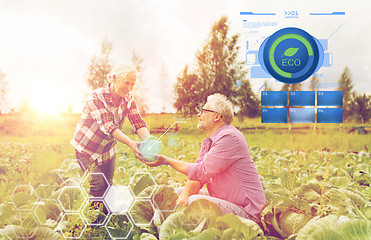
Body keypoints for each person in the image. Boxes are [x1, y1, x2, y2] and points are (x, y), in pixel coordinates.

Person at [141, 93, 266, 222]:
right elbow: (198, 179)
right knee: (179, 193)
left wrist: (166, 161)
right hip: (226, 203)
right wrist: (183, 196)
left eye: (203, 111)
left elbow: (201, 171)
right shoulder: (208, 142)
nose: (198, 115)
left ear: (217, 116)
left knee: (195, 201)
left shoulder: (230, 137)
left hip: (246, 212)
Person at [71, 63, 149, 198]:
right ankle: (95, 218)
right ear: (113, 78)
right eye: (126, 83)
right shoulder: (95, 97)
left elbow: (137, 121)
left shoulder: (128, 100)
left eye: (132, 84)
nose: (129, 88)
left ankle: (106, 216)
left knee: (108, 185)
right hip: (86, 149)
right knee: (98, 183)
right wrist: (131, 143)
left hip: (108, 150)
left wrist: (149, 141)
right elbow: (108, 125)